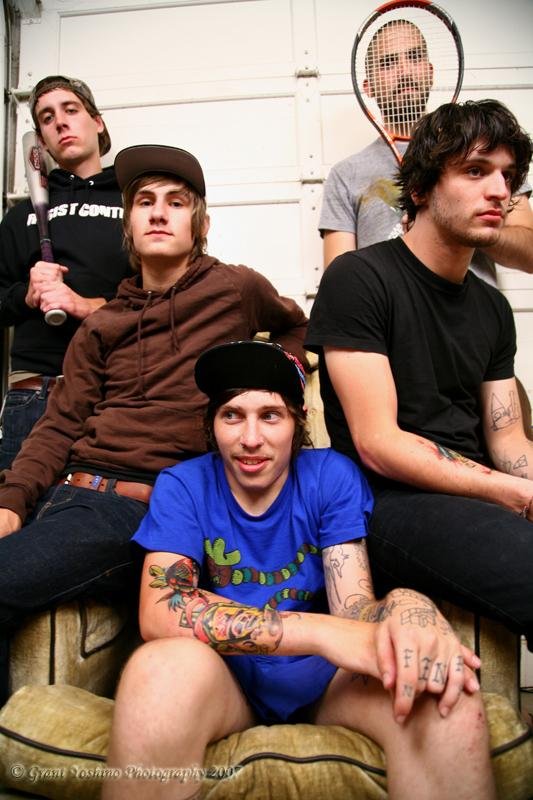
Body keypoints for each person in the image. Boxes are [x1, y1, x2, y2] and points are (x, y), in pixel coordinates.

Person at [103, 339, 495, 800]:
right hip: (226, 680)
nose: (251, 438)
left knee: (440, 687)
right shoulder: (184, 485)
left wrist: (409, 607)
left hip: (327, 683)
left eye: (270, 415)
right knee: (158, 670)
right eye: (232, 415)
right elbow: (162, 610)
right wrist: (321, 633)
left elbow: (353, 607)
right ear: (212, 425)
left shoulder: (330, 476)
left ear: (297, 422)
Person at [0, 144, 308, 704]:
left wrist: (273, 382)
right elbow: (59, 423)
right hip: (75, 496)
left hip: (151, 507)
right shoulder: (102, 324)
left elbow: (298, 325)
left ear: (201, 224)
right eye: (144, 202)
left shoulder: (234, 289)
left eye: (175, 202)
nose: (159, 213)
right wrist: (12, 501)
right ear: (129, 225)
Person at [306, 99, 533, 650]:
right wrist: (513, 493)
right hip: (388, 502)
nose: (500, 192)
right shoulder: (358, 279)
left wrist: (521, 483)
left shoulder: (492, 308)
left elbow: (507, 440)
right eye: (475, 171)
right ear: (422, 188)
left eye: (507, 176)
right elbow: (379, 445)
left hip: (475, 494)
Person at [319, 20, 533, 281]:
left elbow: (530, 253)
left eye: (415, 57)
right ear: (369, 87)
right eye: (388, 62)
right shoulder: (345, 175)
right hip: (389, 307)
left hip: (472, 306)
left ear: (430, 72)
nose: (404, 71)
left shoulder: (489, 153)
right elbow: (339, 281)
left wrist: (464, 223)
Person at [0, 75, 133, 469]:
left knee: (105, 504)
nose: (60, 122)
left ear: (98, 122)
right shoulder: (21, 216)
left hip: (116, 387)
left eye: (70, 110)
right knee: (19, 503)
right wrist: (26, 295)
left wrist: (89, 306)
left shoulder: (136, 203)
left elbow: (162, 298)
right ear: (42, 140)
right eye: (47, 117)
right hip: (35, 391)